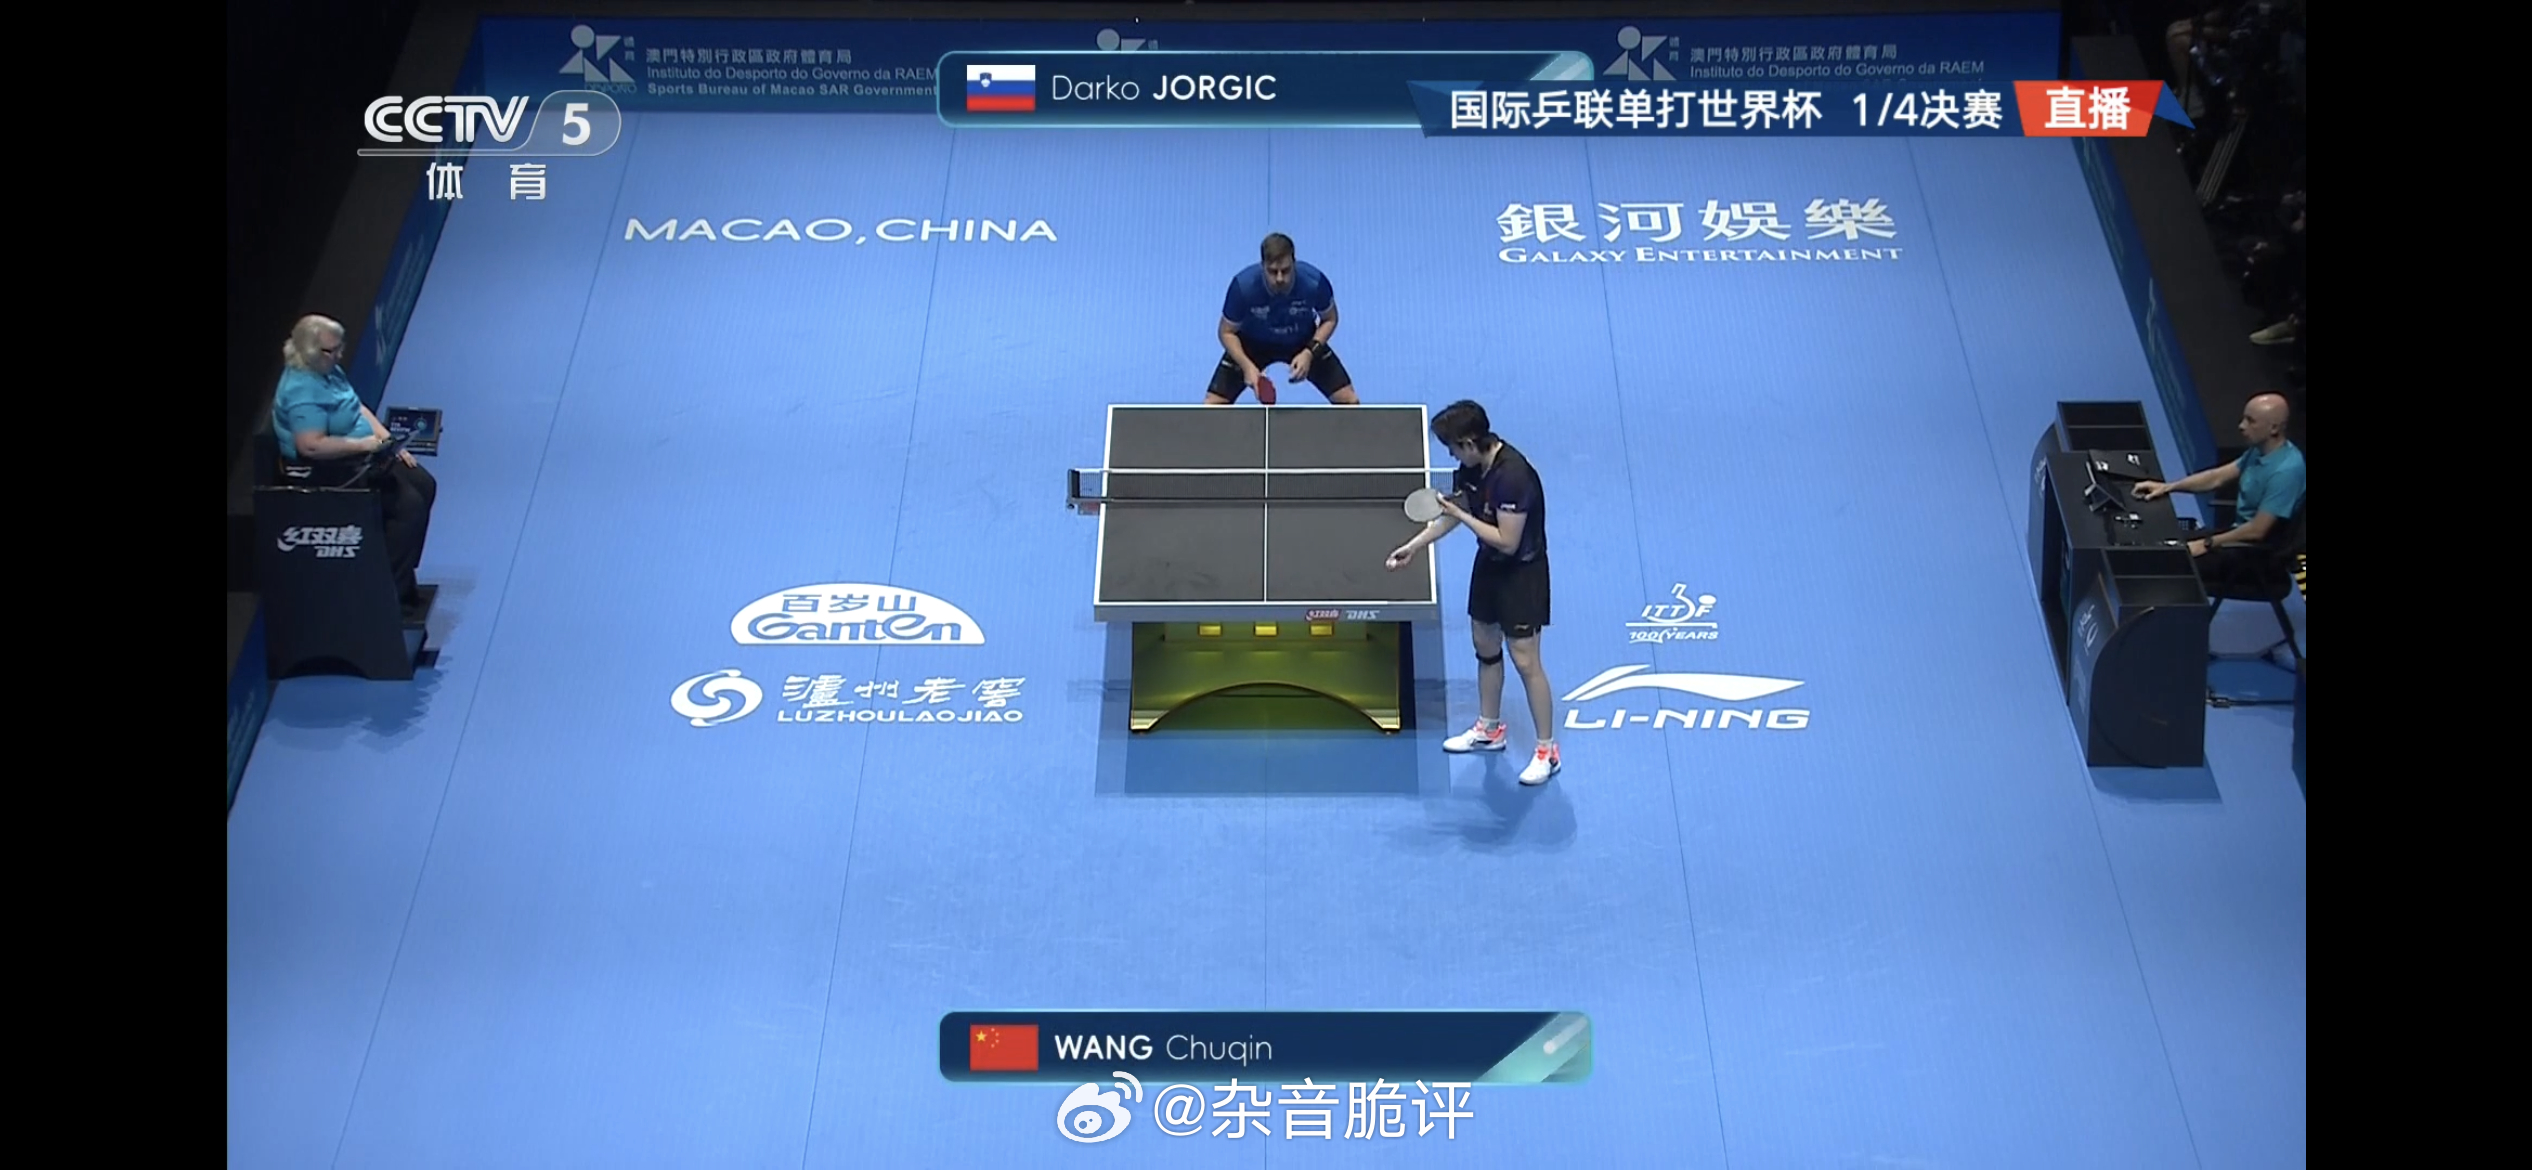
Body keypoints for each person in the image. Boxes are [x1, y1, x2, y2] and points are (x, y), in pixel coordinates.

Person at [1384, 400, 1559, 784]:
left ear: (1468, 442)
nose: (1451, 455)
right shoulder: (1471, 466)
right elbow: (1455, 510)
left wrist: (1462, 515)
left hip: (1521, 573)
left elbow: (1507, 541)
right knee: (1485, 644)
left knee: (1526, 661)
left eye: (1452, 447)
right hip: (1489, 567)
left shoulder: (1513, 477)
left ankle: (1547, 751)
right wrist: (1414, 546)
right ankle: (1489, 729)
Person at [272, 313, 440, 621]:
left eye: (340, 348)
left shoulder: (327, 369)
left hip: (362, 454)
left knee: (424, 484)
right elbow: (311, 446)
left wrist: (386, 439)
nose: (339, 355)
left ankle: (401, 575)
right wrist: (363, 445)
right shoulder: (301, 391)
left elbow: (357, 407)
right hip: (328, 471)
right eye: (331, 350)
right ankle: (387, 598)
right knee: (408, 507)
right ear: (308, 350)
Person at [2131, 392, 2303, 595]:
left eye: (2251, 421)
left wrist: (2208, 543)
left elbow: (2257, 530)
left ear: (2274, 428)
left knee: (2168, 561)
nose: (2241, 426)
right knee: (2163, 542)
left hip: (2255, 557)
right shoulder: (2260, 450)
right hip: (2234, 538)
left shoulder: (2285, 472)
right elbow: (2216, 477)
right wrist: (2168, 487)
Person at [1205, 232, 1359, 407]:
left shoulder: (1314, 283)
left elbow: (1330, 319)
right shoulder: (1243, 287)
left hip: (1302, 341)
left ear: (1294, 263)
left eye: (1285, 271)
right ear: (1262, 266)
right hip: (1252, 344)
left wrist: (1309, 352)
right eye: (1272, 272)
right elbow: (1226, 332)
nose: (1280, 278)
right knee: (1212, 405)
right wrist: (1247, 366)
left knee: (1349, 400)